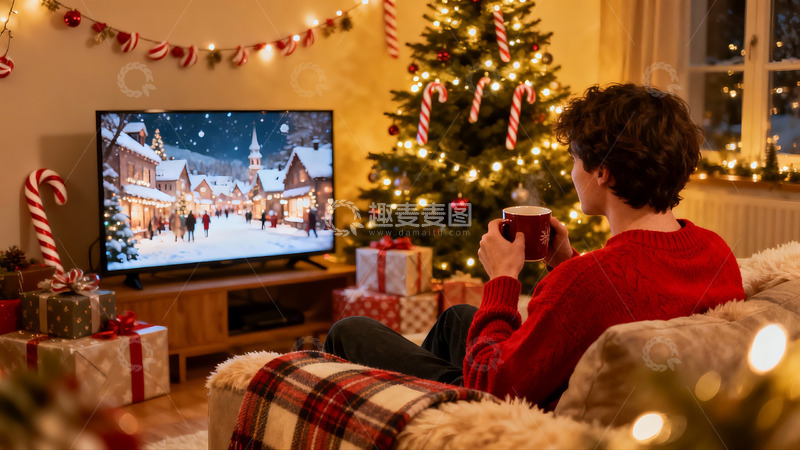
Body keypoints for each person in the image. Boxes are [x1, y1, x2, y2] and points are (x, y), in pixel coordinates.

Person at [324, 84, 746, 409]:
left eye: (576, 159)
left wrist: (503, 280)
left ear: (603, 173)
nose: (572, 171)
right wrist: (565, 262)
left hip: (512, 412)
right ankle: (413, 421)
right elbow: (627, 301)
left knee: (351, 330)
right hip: (615, 397)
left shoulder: (586, 282)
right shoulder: (715, 251)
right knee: (457, 319)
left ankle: (419, 421)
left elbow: (491, 387)